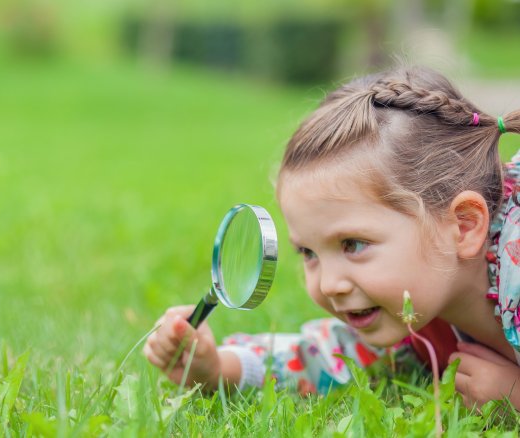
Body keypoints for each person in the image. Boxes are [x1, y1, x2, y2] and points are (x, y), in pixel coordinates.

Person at [143, 66, 520, 409]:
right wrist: (216, 368)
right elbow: (331, 355)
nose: (328, 284)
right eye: (308, 253)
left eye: (353, 245)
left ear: (464, 226)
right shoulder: (414, 307)